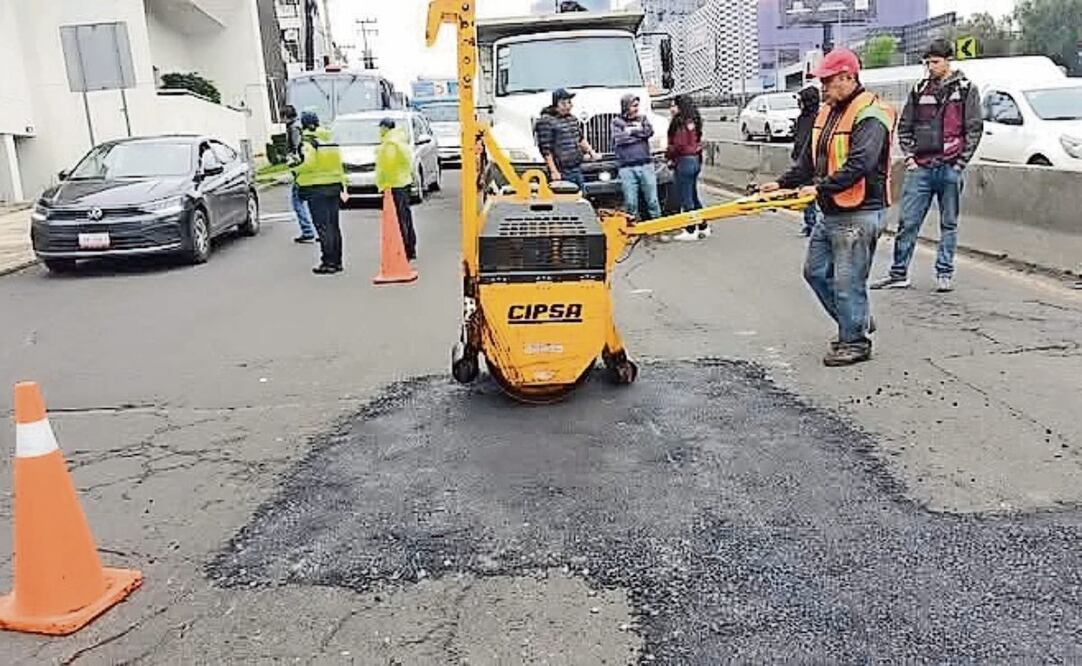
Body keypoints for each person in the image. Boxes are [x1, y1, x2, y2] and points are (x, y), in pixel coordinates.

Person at [760, 48, 896, 367]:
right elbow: (809, 161)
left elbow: (861, 163)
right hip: (832, 209)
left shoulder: (871, 113)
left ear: (849, 77)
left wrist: (819, 188)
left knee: (848, 281)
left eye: (829, 81)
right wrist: (782, 184)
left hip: (859, 210)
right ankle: (857, 320)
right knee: (816, 272)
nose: (824, 89)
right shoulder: (828, 111)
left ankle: (855, 341)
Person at [872, 38, 983, 293]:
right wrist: (910, 157)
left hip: (949, 166)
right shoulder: (920, 89)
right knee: (908, 222)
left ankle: (944, 272)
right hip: (921, 166)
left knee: (949, 223)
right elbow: (905, 126)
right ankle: (898, 273)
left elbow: (974, 129)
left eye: (935, 62)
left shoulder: (966, 90)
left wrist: (960, 164)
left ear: (947, 61)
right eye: (928, 62)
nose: (930, 67)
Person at [292, 111, 349, 274]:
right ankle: (337, 261)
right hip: (334, 186)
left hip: (316, 188)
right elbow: (339, 165)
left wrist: (295, 169)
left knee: (323, 227)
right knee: (334, 226)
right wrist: (342, 185)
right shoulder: (329, 139)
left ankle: (328, 262)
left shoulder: (308, 142)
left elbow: (308, 163)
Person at [535, 88, 600, 192]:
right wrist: (554, 171)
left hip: (576, 167)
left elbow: (580, 138)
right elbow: (545, 150)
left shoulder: (572, 119)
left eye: (570, 103)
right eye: (565, 103)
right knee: (567, 198)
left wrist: (591, 152)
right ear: (558, 104)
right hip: (562, 170)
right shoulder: (546, 121)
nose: (569, 106)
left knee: (581, 195)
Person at [612, 94, 661, 221]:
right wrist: (639, 134)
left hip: (646, 165)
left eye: (637, 106)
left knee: (653, 200)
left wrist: (631, 131)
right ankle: (632, 230)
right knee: (630, 202)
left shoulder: (643, 118)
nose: (636, 109)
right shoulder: (616, 122)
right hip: (626, 167)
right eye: (633, 106)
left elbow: (649, 132)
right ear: (626, 107)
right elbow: (620, 139)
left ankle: (657, 227)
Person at [375, 118, 417, 262]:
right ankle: (410, 247)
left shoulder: (390, 143)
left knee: (399, 219)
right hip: (403, 181)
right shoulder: (399, 139)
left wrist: (383, 183)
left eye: (380, 127)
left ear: (385, 128)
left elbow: (388, 164)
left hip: (394, 183)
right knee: (405, 216)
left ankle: (404, 249)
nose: (379, 130)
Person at [666, 95, 708, 241]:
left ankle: (690, 230)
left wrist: (668, 153)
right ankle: (703, 225)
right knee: (693, 195)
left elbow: (679, 145)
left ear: (680, 107)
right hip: (695, 160)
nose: (671, 109)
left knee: (686, 198)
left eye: (673, 105)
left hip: (684, 161)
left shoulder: (680, 122)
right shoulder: (693, 121)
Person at [283, 105, 317, 244]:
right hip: (308, 170)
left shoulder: (293, 128)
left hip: (301, 170)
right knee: (310, 201)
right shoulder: (300, 126)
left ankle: (307, 230)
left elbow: (297, 149)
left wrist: (292, 159)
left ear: (286, 116)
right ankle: (318, 229)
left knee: (297, 201)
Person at [792, 86, 823, 237]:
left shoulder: (819, 118)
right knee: (805, 193)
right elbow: (798, 139)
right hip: (801, 161)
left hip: (814, 163)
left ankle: (815, 224)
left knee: (813, 193)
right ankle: (809, 223)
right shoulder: (801, 119)